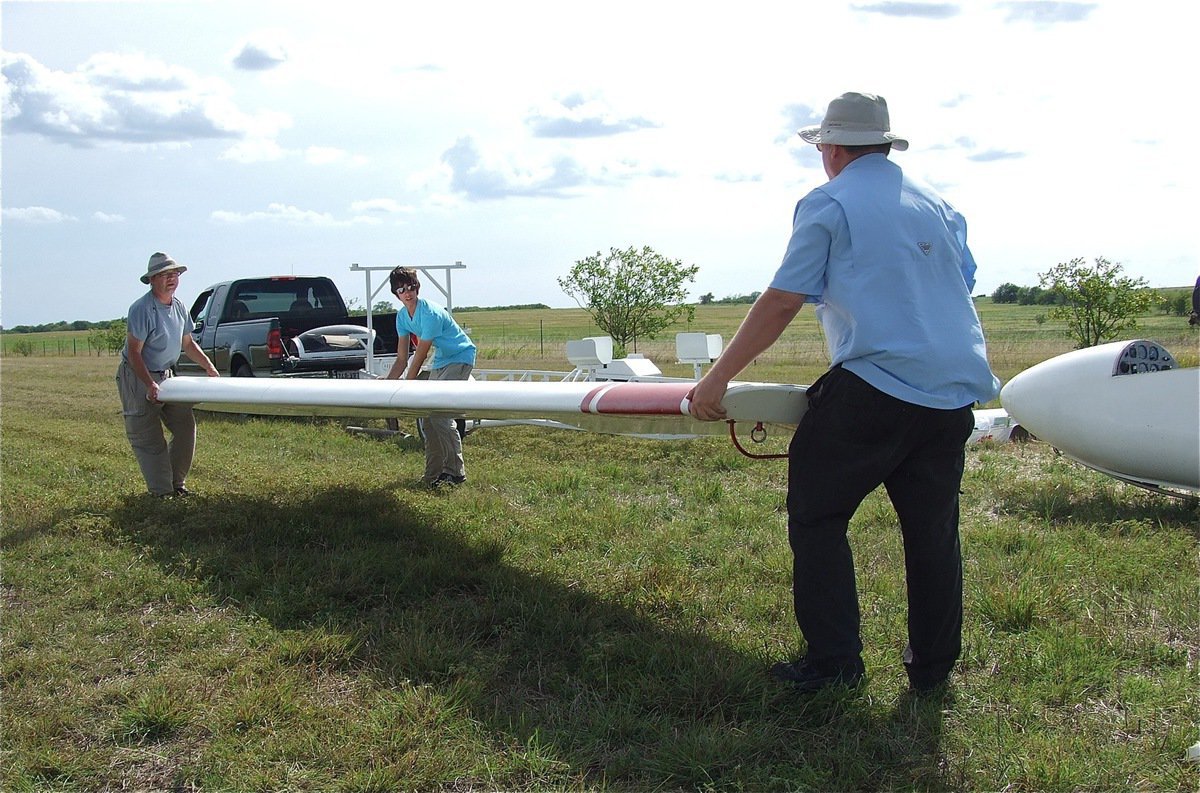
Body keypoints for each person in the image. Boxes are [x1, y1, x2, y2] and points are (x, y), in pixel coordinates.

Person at [688, 92, 1000, 695]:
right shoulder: (939, 205)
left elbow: (783, 299)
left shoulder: (827, 202)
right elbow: (960, 282)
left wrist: (717, 378)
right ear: (884, 145)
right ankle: (932, 670)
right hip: (952, 394)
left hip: (875, 387)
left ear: (830, 149)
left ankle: (834, 663)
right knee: (932, 533)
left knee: (817, 516)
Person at [116, 252, 220, 497]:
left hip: (166, 376)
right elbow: (134, 353)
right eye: (164, 275)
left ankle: (177, 485)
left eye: (174, 274)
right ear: (152, 280)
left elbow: (188, 343)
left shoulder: (180, 306)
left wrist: (209, 367)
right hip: (137, 376)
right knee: (148, 437)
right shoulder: (142, 309)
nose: (171, 279)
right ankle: (161, 494)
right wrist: (150, 384)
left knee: (185, 426)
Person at [383, 267, 477, 487]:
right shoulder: (402, 317)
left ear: (417, 287)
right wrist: (388, 385)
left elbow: (421, 354)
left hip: (461, 356)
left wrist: (407, 385)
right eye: (401, 289)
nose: (407, 293)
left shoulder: (430, 314)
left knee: (440, 416)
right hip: (443, 359)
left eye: (411, 287)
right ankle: (432, 475)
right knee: (427, 419)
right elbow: (401, 359)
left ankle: (455, 473)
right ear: (395, 293)